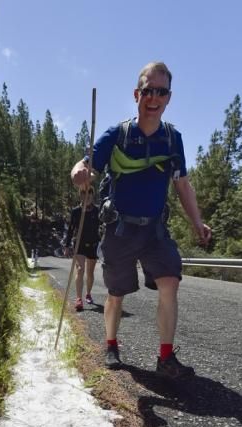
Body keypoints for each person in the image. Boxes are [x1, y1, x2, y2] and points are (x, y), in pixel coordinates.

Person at [70, 60, 212, 376]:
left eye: (161, 92)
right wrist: (80, 173)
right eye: (149, 90)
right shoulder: (116, 134)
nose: (154, 97)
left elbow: (183, 185)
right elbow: (87, 166)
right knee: (117, 293)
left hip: (155, 231)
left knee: (170, 282)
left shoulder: (173, 140)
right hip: (120, 229)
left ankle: (165, 357)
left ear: (168, 98)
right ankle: (110, 344)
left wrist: (197, 222)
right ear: (138, 93)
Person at [64, 187, 100, 311]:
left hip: (93, 244)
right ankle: (79, 299)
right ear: (81, 196)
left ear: (92, 196)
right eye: (84, 194)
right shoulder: (76, 211)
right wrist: (67, 245)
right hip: (79, 244)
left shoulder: (97, 211)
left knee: (90, 273)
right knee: (80, 270)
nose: (87, 197)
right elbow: (70, 229)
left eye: (89, 194)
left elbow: (104, 225)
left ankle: (88, 294)